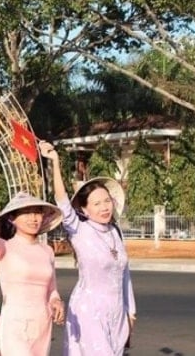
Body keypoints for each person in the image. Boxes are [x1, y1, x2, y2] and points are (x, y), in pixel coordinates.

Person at [43, 141, 136, 355]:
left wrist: (131, 312)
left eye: (106, 201)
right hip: (90, 310)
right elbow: (62, 202)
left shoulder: (115, 232)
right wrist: (55, 162)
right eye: (96, 203)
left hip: (118, 313)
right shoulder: (80, 231)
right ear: (84, 209)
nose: (104, 207)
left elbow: (125, 275)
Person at [0, 177, 64, 356]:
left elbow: (52, 288)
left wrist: (56, 301)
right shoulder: (4, 247)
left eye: (37, 212)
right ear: (12, 219)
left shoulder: (47, 251)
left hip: (42, 323)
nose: (33, 218)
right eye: (26, 213)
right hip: (15, 325)